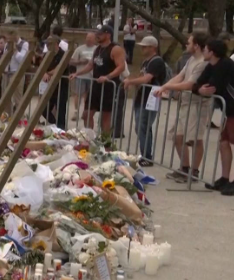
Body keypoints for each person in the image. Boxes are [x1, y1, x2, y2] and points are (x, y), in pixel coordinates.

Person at [156, 32, 209, 183]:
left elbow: (189, 84)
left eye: (189, 42)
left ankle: (194, 172)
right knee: (177, 136)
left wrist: (168, 87)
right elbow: (180, 76)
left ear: (196, 45)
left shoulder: (202, 63)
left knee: (195, 138)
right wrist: (164, 86)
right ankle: (184, 168)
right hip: (185, 103)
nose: (186, 44)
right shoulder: (191, 59)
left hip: (197, 105)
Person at [191, 39, 234, 195]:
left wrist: (203, 90)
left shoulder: (225, 65)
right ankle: (225, 178)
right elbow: (198, 84)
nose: (203, 51)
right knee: (224, 143)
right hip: (228, 110)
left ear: (212, 52)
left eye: (205, 49)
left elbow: (213, 86)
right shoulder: (211, 65)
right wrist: (199, 90)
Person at [69, 26, 126, 134]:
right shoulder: (98, 49)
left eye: (100, 34)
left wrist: (107, 77)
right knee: (86, 114)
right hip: (96, 85)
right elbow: (91, 65)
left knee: (105, 117)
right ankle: (89, 137)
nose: (97, 36)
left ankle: (105, 140)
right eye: (97, 34)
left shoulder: (115, 49)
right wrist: (77, 73)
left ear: (108, 35)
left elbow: (121, 67)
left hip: (109, 86)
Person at [123, 36, 167, 166]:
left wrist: (131, 81)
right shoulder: (145, 62)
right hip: (141, 97)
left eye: (145, 47)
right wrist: (134, 82)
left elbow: (146, 79)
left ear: (153, 47)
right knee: (140, 126)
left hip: (150, 98)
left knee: (144, 125)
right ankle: (145, 154)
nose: (142, 49)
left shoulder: (156, 61)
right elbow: (141, 76)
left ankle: (147, 156)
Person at [70, 32, 97, 120]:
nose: (89, 40)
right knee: (78, 94)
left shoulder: (97, 49)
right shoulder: (79, 49)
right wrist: (81, 61)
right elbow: (71, 61)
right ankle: (76, 112)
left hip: (92, 76)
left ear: (94, 39)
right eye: (87, 38)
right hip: (80, 76)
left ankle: (85, 112)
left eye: (91, 38)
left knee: (88, 95)